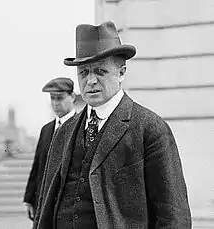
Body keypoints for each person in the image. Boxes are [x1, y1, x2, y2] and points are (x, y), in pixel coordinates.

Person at [33, 21, 191, 229]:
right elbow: (45, 204)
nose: (90, 81)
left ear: (121, 73)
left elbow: (173, 216)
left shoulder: (150, 129)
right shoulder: (64, 132)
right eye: (83, 72)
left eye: (100, 71)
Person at [23, 77, 76, 221]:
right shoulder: (46, 130)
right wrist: (29, 198)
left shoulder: (81, 126)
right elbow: (38, 165)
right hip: (43, 199)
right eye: (52, 98)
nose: (55, 103)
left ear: (72, 97)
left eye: (59, 98)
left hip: (67, 203)